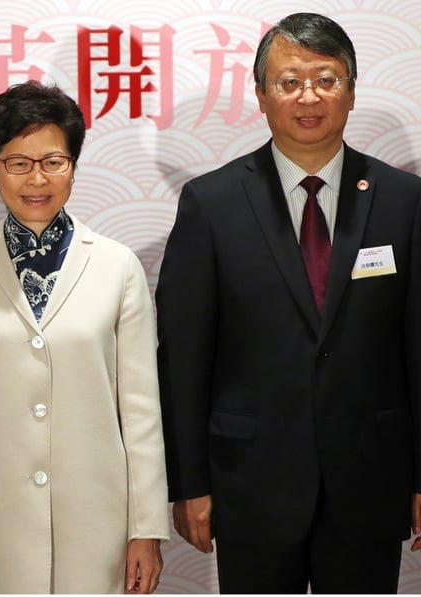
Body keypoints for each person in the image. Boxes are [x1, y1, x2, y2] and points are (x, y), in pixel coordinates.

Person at [156, 12, 421, 593]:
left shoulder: (405, 201)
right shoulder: (212, 204)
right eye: (290, 80)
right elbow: (184, 358)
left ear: (351, 91)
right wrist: (188, 482)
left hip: (371, 482)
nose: (309, 95)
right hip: (249, 483)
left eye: (327, 79)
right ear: (261, 94)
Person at [0, 80, 170, 594]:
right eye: (17, 163)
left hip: (98, 523)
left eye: (53, 161)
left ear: (74, 165)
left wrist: (144, 528)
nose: (37, 179)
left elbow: (141, 409)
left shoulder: (117, 266)